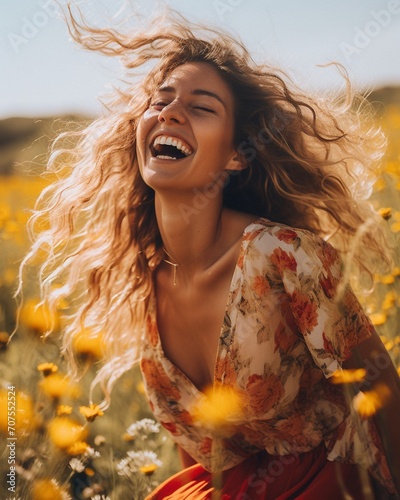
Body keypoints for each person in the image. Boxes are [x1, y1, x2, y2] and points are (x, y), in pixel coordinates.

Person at [20, 7, 400, 499]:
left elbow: (386, 398)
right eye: (160, 101)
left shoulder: (285, 256)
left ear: (236, 154)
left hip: (334, 482)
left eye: (201, 107)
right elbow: (203, 458)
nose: (169, 112)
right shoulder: (145, 285)